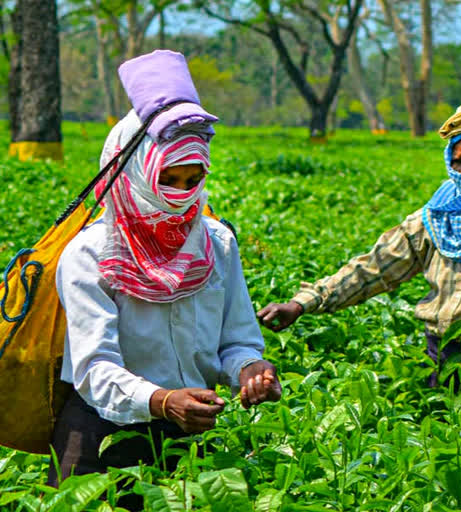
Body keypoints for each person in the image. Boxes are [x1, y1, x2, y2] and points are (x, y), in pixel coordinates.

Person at [48, 50, 281, 506]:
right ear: (134, 172)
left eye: (194, 178)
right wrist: (160, 400)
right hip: (102, 439)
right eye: (169, 178)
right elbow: (94, 370)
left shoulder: (216, 242)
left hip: (189, 437)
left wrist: (250, 370)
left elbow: (236, 339)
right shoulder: (91, 254)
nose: (181, 194)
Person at [257, 93, 461, 408]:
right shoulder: (436, 215)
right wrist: (302, 303)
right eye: (458, 161)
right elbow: (374, 269)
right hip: (440, 360)